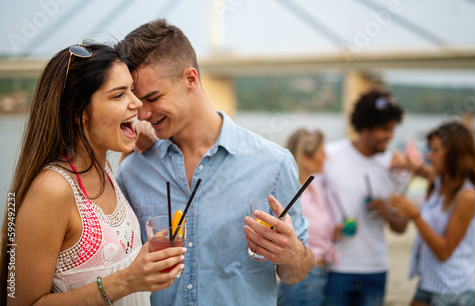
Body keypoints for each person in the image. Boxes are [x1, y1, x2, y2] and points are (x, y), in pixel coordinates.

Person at [115, 19, 314, 306]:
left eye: (153, 98)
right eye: (136, 100)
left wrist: (292, 253)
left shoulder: (275, 164)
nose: (142, 114)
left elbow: (298, 272)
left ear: (191, 79)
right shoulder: (133, 170)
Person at [0, 42, 186, 305]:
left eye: (131, 90)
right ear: (78, 114)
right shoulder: (52, 190)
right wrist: (127, 281)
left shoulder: (104, 169)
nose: (137, 103)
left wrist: (133, 145)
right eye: (118, 95)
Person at [322, 89, 408, 306]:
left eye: (392, 129)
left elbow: (401, 227)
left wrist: (386, 211)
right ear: (365, 127)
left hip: (375, 268)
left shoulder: (393, 166)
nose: (390, 136)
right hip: (336, 268)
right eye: (384, 129)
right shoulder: (329, 156)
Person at [390, 122, 475, 305]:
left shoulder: (466, 195)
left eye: (435, 150)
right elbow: (417, 168)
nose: (429, 155)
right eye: (429, 149)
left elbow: (444, 252)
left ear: (454, 154)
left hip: (453, 289)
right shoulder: (441, 180)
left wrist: (415, 216)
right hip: (429, 282)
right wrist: (401, 157)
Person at [277, 128, 343, 306]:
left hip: (319, 272)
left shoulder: (315, 186)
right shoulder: (294, 196)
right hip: (305, 277)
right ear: (306, 159)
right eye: (322, 153)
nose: (326, 158)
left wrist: (332, 233)